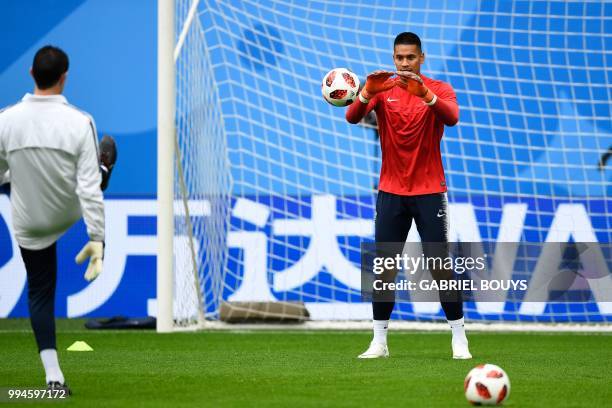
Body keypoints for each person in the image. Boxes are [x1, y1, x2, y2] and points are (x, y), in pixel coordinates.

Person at [346, 32, 471, 359]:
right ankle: (379, 342)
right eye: (399, 58)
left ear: (421, 57)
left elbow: (453, 118)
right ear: (393, 58)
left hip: (430, 192)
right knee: (384, 266)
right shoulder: (381, 88)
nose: (404, 63)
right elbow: (351, 116)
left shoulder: (438, 89)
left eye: (410, 57)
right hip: (390, 193)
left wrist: (426, 95)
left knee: (439, 264)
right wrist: (365, 93)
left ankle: (459, 337)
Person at [0, 45, 117, 393]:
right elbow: (89, 190)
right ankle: (104, 167)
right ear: (64, 78)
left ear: (32, 75)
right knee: (95, 172)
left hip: (29, 221)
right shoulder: (80, 122)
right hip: (69, 209)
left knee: (40, 290)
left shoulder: (5, 119)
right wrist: (98, 239)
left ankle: (54, 379)